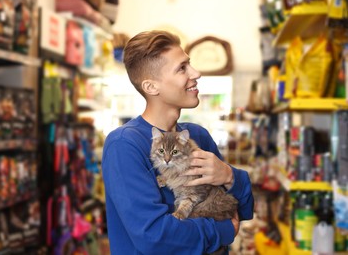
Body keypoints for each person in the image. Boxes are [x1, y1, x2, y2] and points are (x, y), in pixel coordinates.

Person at [102, 30, 254, 254]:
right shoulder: (124, 145)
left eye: (189, 64)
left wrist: (230, 175)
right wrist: (221, 231)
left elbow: (243, 209)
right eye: (182, 68)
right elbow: (154, 237)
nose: (196, 73)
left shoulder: (198, 136)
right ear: (151, 87)